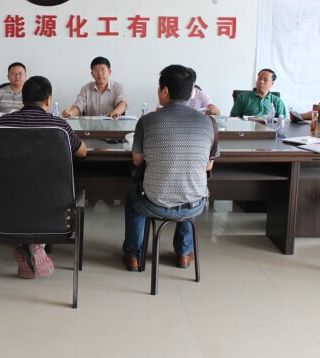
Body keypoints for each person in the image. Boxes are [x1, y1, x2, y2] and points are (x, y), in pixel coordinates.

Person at [122, 65, 218, 271]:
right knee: (191, 190)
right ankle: (183, 253)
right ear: (191, 91)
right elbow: (208, 165)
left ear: (164, 91)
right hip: (194, 204)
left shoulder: (147, 121)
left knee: (132, 198)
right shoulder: (209, 123)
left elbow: (137, 161)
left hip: (154, 203)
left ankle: (133, 256)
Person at [0, 76, 87, 278]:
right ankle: (37, 245)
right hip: (52, 205)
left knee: (24, 190)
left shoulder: (4, 122)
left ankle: (26, 248)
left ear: (23, 99)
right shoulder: (59, 125)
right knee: (42, 191)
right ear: (48, 100)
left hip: (9, 204)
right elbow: (82, 152)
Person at [62, 56, 128, 118]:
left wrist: (116, 112)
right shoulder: (86, 89)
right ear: (92, 74)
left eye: (103, 69)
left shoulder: (118, 87)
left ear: (109, 72)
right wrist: (70, 113)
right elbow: (79, 105)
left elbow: (123, 103)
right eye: (96, 70)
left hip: (113, 125)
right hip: (91, 126)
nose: (100, 73)